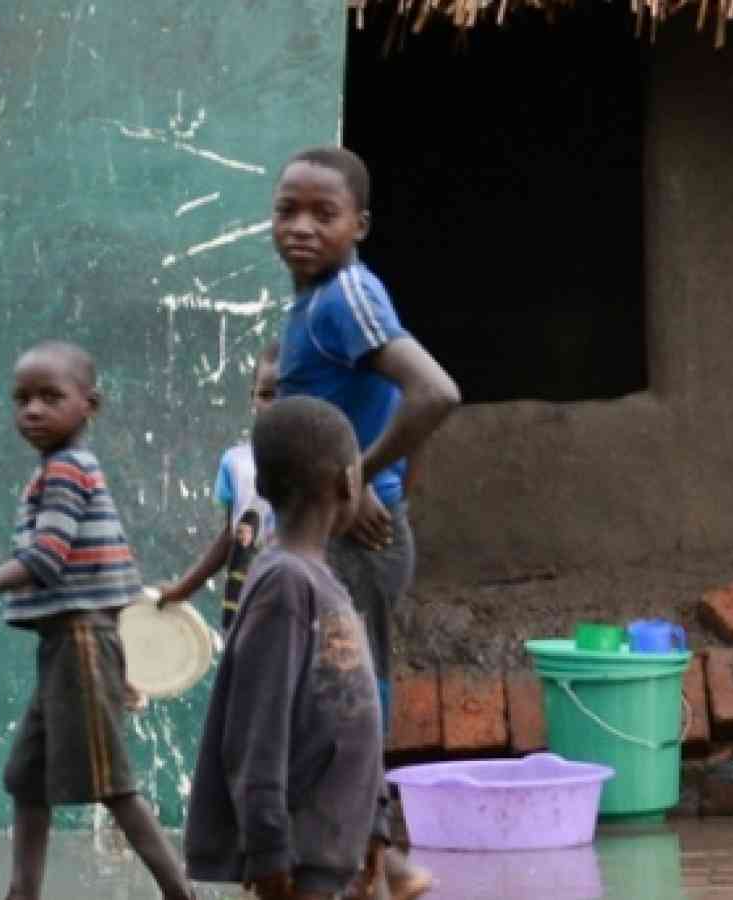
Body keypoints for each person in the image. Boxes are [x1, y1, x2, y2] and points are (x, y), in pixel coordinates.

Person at [0, 341, 194, 900]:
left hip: (80, 641)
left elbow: (46, 559)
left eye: (50, 397)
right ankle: (23, 892)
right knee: (27, 779)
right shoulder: (62, 468)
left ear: (90, 405)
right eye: (21, 400)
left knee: (112, 786)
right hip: (69, 645)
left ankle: (181, 894)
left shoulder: (66, 471)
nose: (32, 411)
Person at [270, 145, 456, 900]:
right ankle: (384, 866)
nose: (302, 227)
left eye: (324, 213)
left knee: (345, 705)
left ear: (360, 225)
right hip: (333, 536)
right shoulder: (317, 305)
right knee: (330, 702)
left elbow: (434, 394)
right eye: (287, 211)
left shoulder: (347, 295)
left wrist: (360, 475)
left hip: (356, 538)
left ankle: (374, 865)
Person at [185, 397, 389, 900]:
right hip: (300, 857)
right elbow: (257, 729)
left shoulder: (322, 580)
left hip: (337, 848)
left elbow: (352, 714)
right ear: (348, 481)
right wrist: (269, 847)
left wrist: (376, 822)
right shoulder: (285, 586)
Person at [158, 342, 282, 628]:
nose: (276, 404)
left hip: (289, 609)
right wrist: (184, 588)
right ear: (252, 398)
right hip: (242, 609)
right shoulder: (236, 463)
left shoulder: (315, 461)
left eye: (288, 393)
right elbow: (232, 535)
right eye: (266, 395)